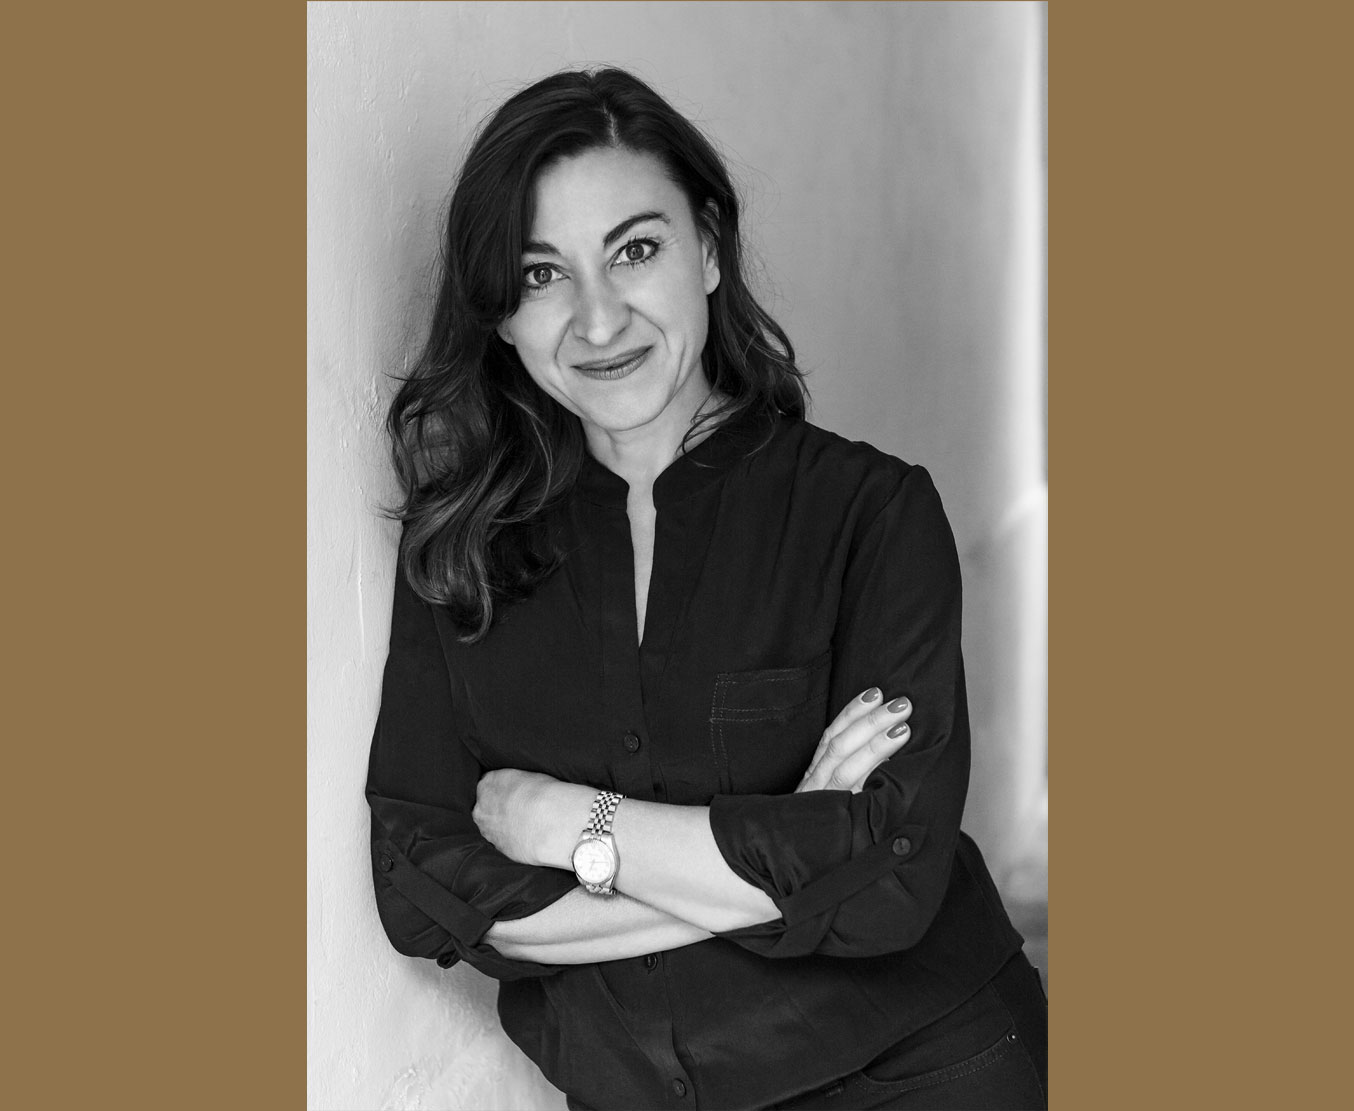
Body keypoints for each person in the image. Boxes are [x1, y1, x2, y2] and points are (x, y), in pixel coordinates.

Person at [366, 67, 1047, 1111]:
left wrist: (567, 826)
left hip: (923, 1070)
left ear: (711, 250)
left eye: (636, 250)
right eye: (543, 274)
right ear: (499, 312)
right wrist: (796, 840)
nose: (598, 321)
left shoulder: (871, 514)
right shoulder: (461, 547)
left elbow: (896, 882)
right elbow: (423, 888)